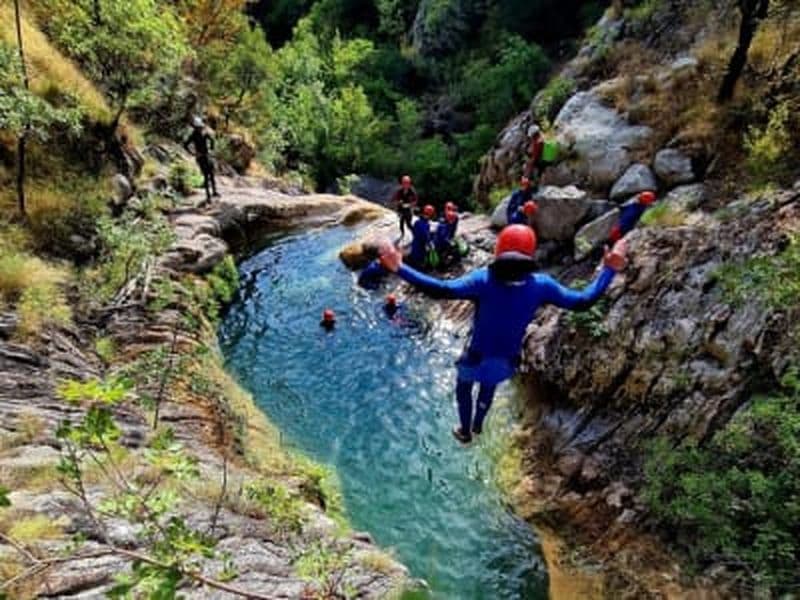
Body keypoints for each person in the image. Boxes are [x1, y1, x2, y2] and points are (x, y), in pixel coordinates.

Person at [379, 225, 627, 444]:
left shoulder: (483, 280)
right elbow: (583, 301)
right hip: (506, 361)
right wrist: (609, 270)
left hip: (475, 356)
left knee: (464, 389)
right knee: (489, 387)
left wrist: (400, 268)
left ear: (498, 252)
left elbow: (441, 289)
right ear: (530, 255)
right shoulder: (541, 285)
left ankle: (465, 431)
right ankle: (478, 425)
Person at [184, 116, 219, 203]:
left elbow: (212, 140)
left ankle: (214, 192)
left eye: (200, 127)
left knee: (211, 174)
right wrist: (193, 153)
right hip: (201, 157)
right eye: (198, 127)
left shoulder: (204, 133)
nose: (200, 128)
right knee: (206, 176)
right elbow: (185, 145)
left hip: (207, 155)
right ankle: (208, 196)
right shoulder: (193, 135)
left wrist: (211, 149)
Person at [392, 175, 418, 239]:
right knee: (401, 224)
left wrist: (409, 205)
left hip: (408, 210)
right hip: (401, 210)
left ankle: (416, 234)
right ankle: (402, 234)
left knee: (409, 225)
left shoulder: (412, 192)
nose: (405, 184)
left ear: (409, 183)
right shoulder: (399, 191)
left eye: (407, 183)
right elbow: (394, 200)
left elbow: (415, 201)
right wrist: (398, 203)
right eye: (404, 183)